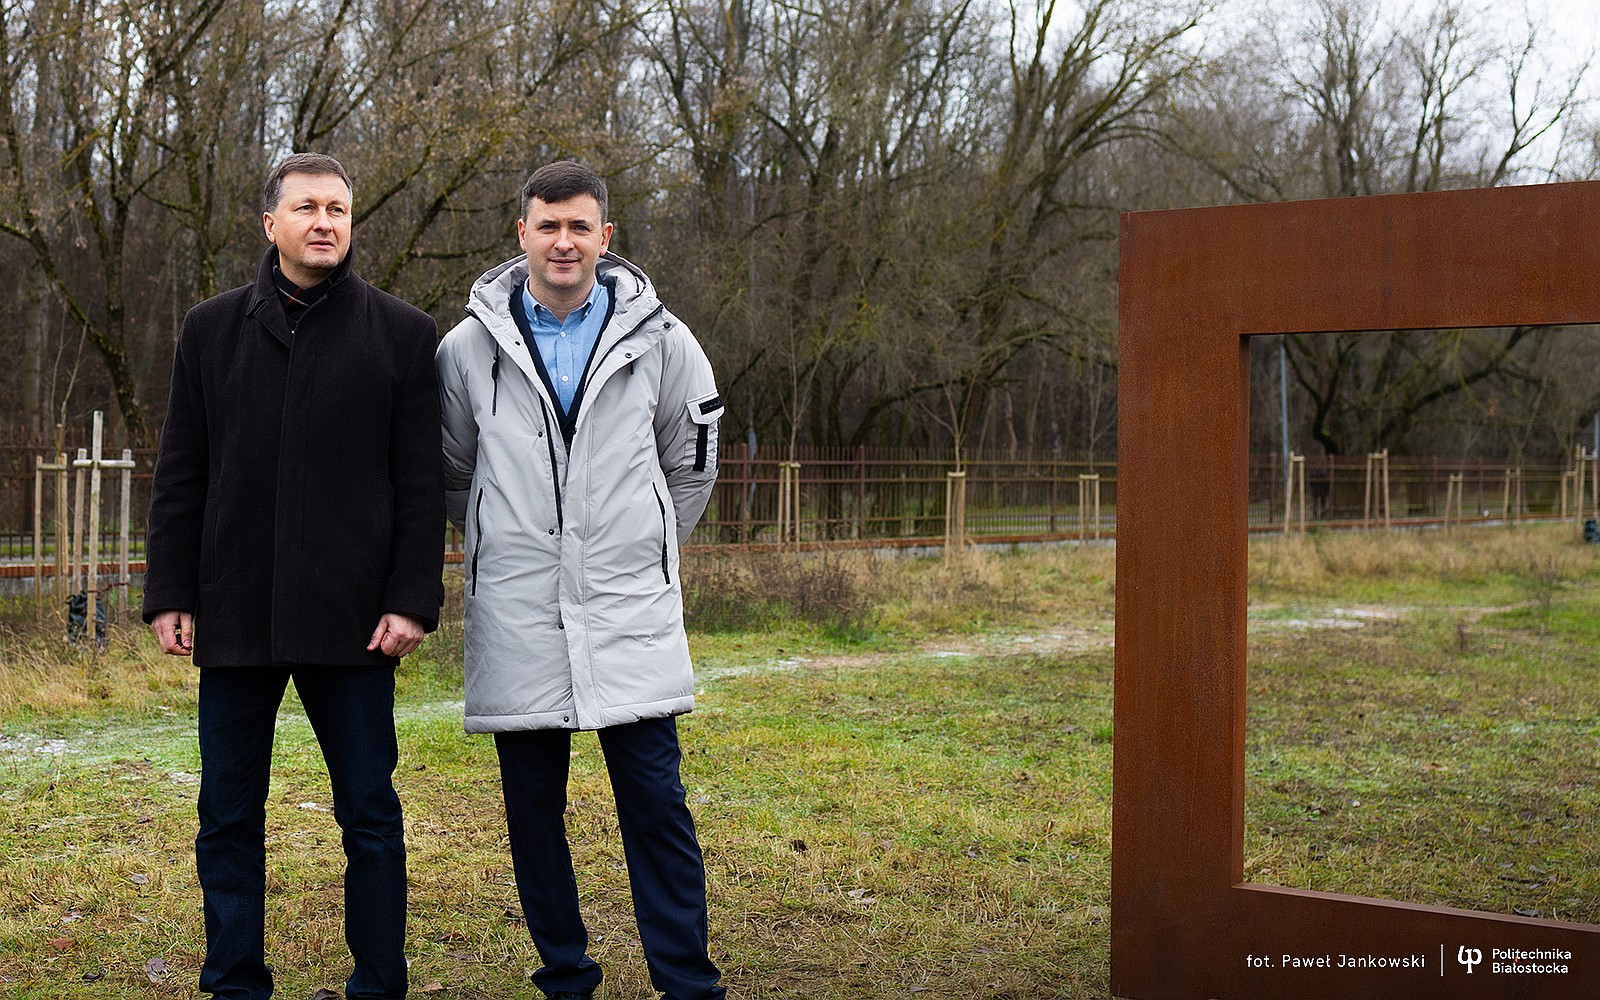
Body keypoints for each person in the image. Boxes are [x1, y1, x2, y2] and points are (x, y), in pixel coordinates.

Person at [142, 151, 444, 1000]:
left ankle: (378, 983)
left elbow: (420, 485)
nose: (325, 222)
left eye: (338, 209)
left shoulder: (402, 333)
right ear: (271, 223)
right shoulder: (210, 329)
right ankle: (235, 982)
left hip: (355, 619)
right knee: (227, 816)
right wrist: (170, 593)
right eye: (307, 207)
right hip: (234, 609)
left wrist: (410, 600)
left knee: (370, 817)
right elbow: (182, 472)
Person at [436, 160, 726, 1000]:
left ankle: (687, 982)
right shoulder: (465, 350)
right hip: (519, 613)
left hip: (629, 610)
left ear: (606, 237)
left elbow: (691, 466)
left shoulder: (664, 342)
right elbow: (453, 472)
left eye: (579, 227)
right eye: (548, 225)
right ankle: (565, 975)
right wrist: (509, 544)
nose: (563, 242)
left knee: (657, 805)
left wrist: (641, 548)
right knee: (533, 813)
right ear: (521, 233)